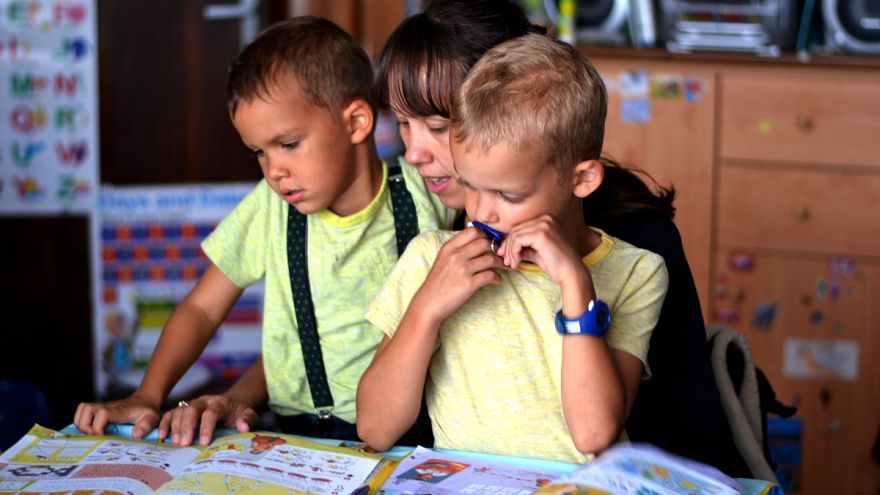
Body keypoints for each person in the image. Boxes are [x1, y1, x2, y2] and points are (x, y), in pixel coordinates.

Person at [373, 0, 748, 476]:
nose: (412, 153)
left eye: (438, 127)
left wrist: (576, 287)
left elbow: (675, 434)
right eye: (402, 124)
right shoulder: (433, 239)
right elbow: (386, 425)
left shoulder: (637, 250)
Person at [73, 16, 455, 446]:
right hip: (300, 435)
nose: (274, 170)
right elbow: (201, 309)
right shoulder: (273, 209)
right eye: (259, 152)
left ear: (356, 123)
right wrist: (148, 393)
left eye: (288, 144)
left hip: (413, 433)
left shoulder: (426, 193)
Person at [356, 33, 669, 464]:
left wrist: (577, 287)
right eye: (469, 185)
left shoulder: (638, 272)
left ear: (582, 180)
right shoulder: (433, 258)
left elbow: (595, 434)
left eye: (510, 196)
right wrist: (426, 307)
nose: (481, 213)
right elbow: (375, 427)